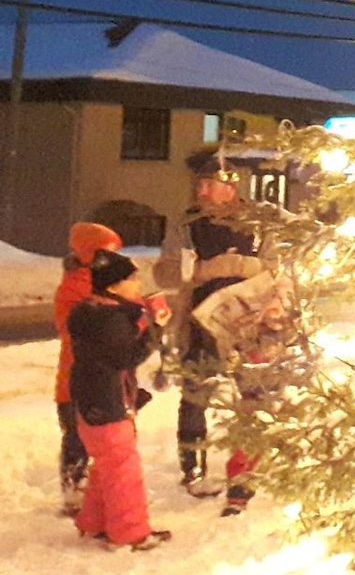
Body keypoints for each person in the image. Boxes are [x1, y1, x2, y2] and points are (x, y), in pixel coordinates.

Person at [67, 250, 171, 550]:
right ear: (113, 287)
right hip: (106, 401)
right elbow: (126, 356)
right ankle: (130, 533)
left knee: (106, 465)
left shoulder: (92, 311)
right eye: (131, 279)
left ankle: (94, 523)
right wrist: (157, 328)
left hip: (91, 400)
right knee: (123, 468)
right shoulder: (109, 320)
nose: (138, 284)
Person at [177, 183, 264, 496]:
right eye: (202, 183)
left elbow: (275, 265)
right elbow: (167, 272)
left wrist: (240, 266)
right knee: (195, 393)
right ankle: (193, 468)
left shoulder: (256, 222)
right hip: (201, 321)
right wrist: (201, 269)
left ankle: (248, 466)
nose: (206, 190)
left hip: (248, 321)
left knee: (253, 392)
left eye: (216, 183)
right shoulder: (187, 226)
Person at [54, 222, 123, 513]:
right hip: (76, 379)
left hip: (98, 377)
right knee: (76, 435)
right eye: (108, 252)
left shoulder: (99, 282)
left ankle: (92, 490)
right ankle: (74, 487)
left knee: (94, 436)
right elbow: (77, 331)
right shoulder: (76, 288)